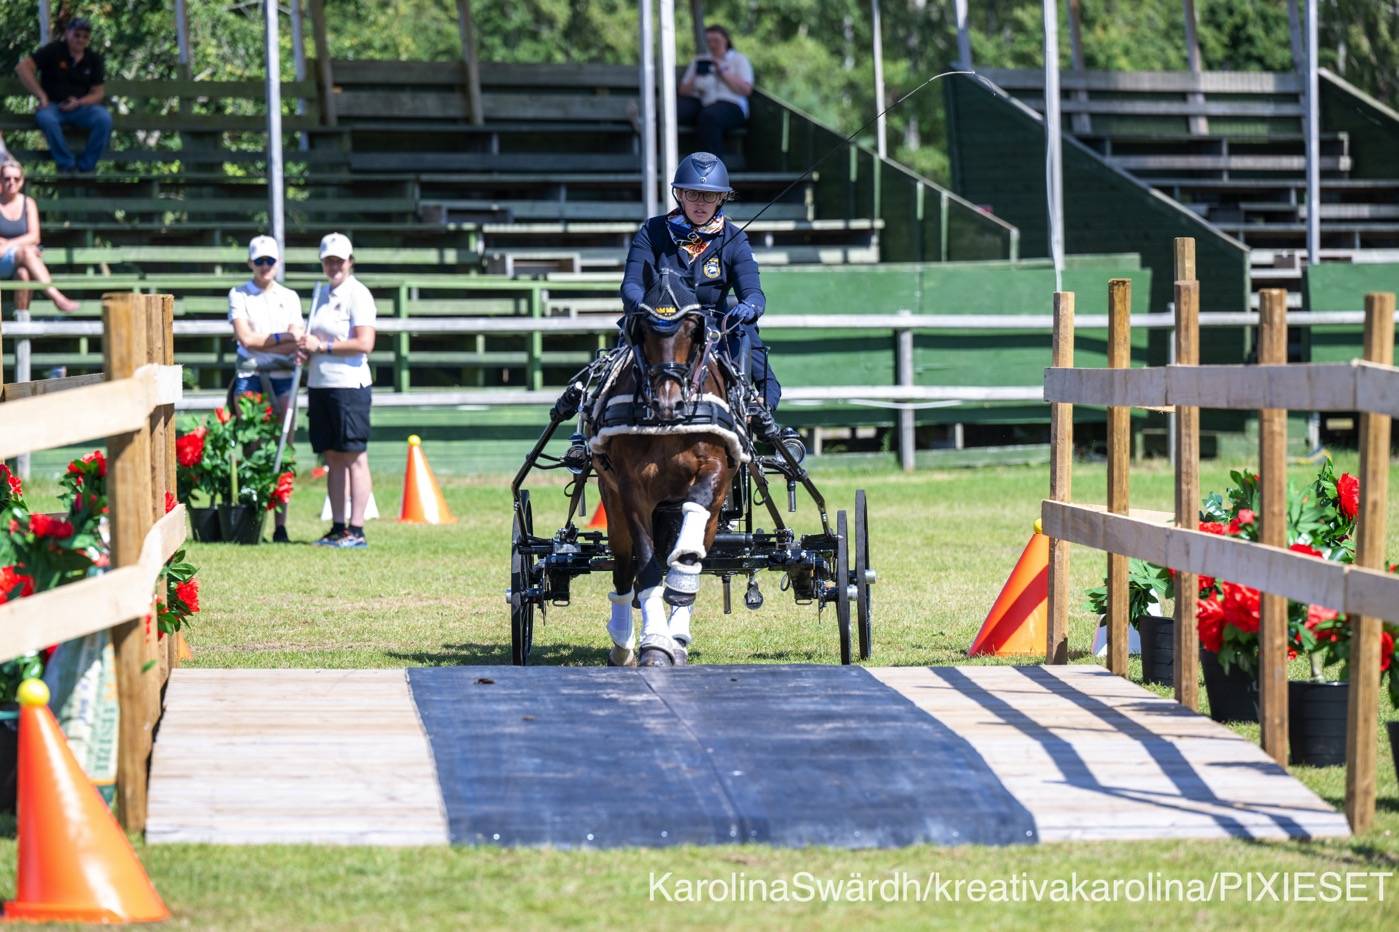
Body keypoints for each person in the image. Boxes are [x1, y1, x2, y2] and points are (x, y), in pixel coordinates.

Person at [620, 151, 794, 440]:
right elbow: (631, 286)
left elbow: (753, 294)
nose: (700, 203)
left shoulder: (735, 239)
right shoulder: (652, 232)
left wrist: (749, 307)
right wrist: (648, 311)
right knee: (608, 369)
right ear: (680, 194)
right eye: (693, 194)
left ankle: (757, 412)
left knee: (753, 351)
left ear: (721, 198)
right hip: (660, 322)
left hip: (714, 327)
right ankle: (589, 422)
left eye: (709, 196)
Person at [298, 233, 377, 549]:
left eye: (339, 260)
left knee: (354, 455)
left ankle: (357, 530)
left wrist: (323, 347)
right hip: (321, 384)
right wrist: (306, 349)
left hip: (349, 385)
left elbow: (365, 342)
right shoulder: (320, 293)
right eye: (328, 261)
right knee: (332, 455)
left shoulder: (358, 294)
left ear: (350, 261)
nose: (333, 266)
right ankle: (338, 527)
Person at [228, 235, 304, 543]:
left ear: (278, 262)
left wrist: (265, 341)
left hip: (283, 375)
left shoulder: (290, 296)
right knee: (252, 445)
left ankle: (280, 525)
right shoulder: (239, 294)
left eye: (269, 260)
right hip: (250, 375)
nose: (264, 266)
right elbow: (246, 339)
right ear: (250, 262)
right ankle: (253, 519)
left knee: (284, 447)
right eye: (259, 261)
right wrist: (281, 339)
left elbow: (295, 339)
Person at [15, 17, 111, 174]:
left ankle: (86, 166)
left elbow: (98, 92)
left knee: (104, 118)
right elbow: (23, 68)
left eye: (85, 36)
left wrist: (79, 102)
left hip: (81, 108)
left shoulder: (93, 59)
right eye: (77, 35)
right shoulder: (54, 50)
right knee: (46, 119)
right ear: (68, 33)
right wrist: (41, 96)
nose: (80, 39)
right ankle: (67, 164)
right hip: (53, 106)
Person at [0, 157, 78, 313]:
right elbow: (28, 239)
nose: (11, 182)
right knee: (27, 252)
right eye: (7, 178)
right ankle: (56, 297)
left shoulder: (28, 203)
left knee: (23, 273)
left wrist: (8, 244)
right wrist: (23, 245)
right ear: (0, 180)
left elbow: (35, 237)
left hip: (19, 257)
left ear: (22, 182)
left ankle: (22, 321)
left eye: (16, 179)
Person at [677, 25, 753, 157]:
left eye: (716, 41)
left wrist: (722, 71)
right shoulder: (700, 60)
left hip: (731, 105)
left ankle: (711, 165)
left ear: (726, 40)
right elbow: (683, 90)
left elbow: (746, 90)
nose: (712, 45)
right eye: (709, 41)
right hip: (702, 103)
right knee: (677, 110)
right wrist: (696, 74)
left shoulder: (739, 59)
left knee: (710, 116)